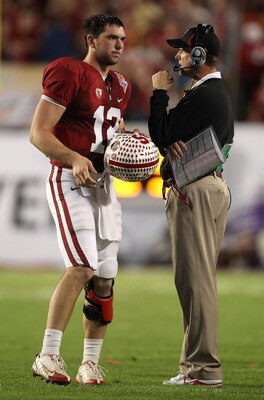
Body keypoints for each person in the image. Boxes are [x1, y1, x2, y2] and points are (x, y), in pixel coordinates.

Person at [30, 14, 131, 385]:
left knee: (105, 279)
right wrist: (74, 157)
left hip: (103, 185)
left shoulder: (122, 85)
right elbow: (38, 133)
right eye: (110, 37)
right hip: (70, 178)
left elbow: (106, 131)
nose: (119, 44)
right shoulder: (68, 71)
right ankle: (48, 354)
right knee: (82, 267)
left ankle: (90, 363)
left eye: (122, 38)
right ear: (90, 39)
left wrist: (125, 143)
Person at [148, 24, 234, 387]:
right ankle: (194, 367)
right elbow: (170, 138)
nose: (179, 56)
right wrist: (171, 141)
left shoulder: (203, 93)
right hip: (208, 187)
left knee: (194, 281)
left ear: (199, 55)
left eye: (185, 50)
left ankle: (203, 370)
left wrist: (157, 95)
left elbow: (161, 133)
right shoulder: (211, 92)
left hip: (195, 190)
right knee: (197, 280)